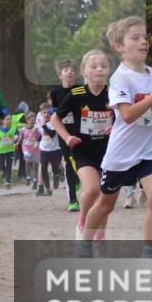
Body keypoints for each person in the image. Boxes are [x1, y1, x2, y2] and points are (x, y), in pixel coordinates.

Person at [80, 17, 152, 260]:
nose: (143, 41)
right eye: (135, 38)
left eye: (145, 37)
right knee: (105, 205)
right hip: (121, 154)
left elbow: (151, 107)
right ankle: (83, 246)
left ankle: (147, 260)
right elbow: (127, 114)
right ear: (119, 46)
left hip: (148, 150)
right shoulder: (120, 78)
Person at [50, 50, 112, 226]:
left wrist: (115, 127)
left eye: (103, 66)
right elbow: (55, 119)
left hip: (107, 151)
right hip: (82, 150)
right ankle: (82, 222)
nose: (99, 70)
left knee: (103, 195)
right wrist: (67, 137)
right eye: (94, 66)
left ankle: (99, 237)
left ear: (109, 70)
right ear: (85, 71)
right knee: (92, 189)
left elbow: (125, 117)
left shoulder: (114, 93)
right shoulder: (77, 94)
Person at [50, 58, 82, 205]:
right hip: (64, 132)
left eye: (72, 70)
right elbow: (55, 112)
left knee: (80, 160)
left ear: (76, 74)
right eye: (66, 70)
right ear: (60, 75)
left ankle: (77, 178)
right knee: (69, 163)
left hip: (80, 131)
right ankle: (73, 200)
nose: (69, 72)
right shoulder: (55, 92)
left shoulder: (80, 90)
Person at [35, 102, 63, 196]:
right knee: (43, 169)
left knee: (55, 169)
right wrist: (37, 140)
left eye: (47, 112)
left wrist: (43, 126)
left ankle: (56, 175)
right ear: (41, 113)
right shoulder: (40, 122)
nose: (46, 114)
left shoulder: (54, 121)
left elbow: (52, 134)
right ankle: (48, 189)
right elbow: (41, 134)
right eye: (44, 112)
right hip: (44, 149)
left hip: (55, 149)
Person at [0, 113, 18, 189]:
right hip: (0, 151)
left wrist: (16, 137)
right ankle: (4, 173)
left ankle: (8, 182)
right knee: (1, 166)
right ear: (3, 121)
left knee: (9, 166)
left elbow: (17, 134)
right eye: (7, 119)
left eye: (10, 119)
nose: (9, 120)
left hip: (10, 150)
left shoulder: (14, 128)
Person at [20, 113, 40, 187]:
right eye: (31, 120)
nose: (33, 121)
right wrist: (17, 144)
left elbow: (39, 138)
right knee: (27, 160)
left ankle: (35, 180)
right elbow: (21, 138)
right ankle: (28, 177)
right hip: (26, 147)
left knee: (36, 165)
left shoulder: (37, 129)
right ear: (27, 120)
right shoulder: (23, 129)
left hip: (35, 148)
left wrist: (37, 131)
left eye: (34, 120)